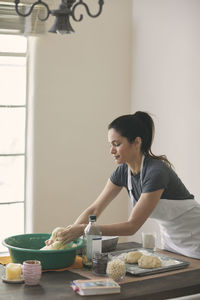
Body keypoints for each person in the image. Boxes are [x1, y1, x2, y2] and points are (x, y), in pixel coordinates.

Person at [47, 111, 200, 259]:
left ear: (137, 142)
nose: (111, 151)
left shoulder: (156, 172)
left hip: (196, 238)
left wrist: (86, 230)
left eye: (117, 144)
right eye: (111, 144)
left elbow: (132, 225)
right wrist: (65, 234)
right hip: (171, 243)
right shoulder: (122, 172)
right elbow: (94, 210)